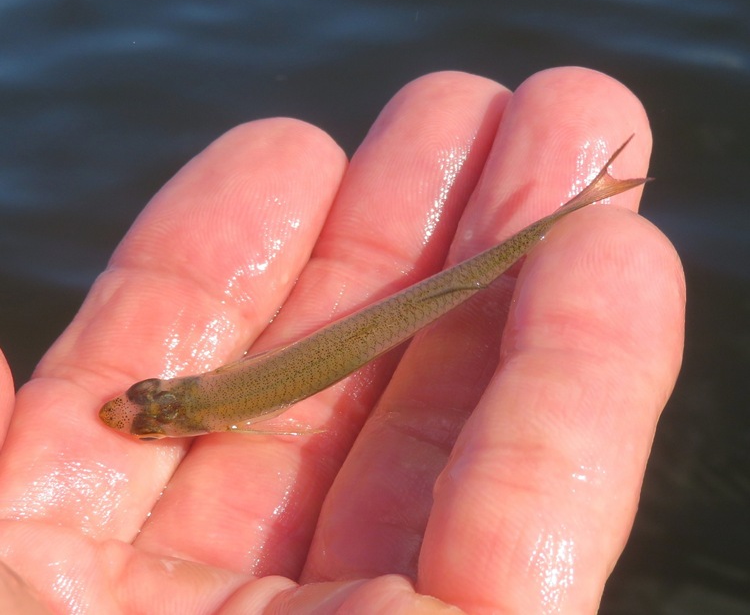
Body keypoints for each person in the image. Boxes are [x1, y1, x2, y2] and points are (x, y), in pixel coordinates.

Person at [0, 68, 684, 614]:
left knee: (448, 289)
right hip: (357, 334)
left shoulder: (218, 410)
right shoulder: (211, 395)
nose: (148, 401)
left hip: (357, 333)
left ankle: (577, 205)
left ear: (186, 393)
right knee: (443, 290)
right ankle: (578, 203)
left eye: (150, 400)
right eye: (155, 413)